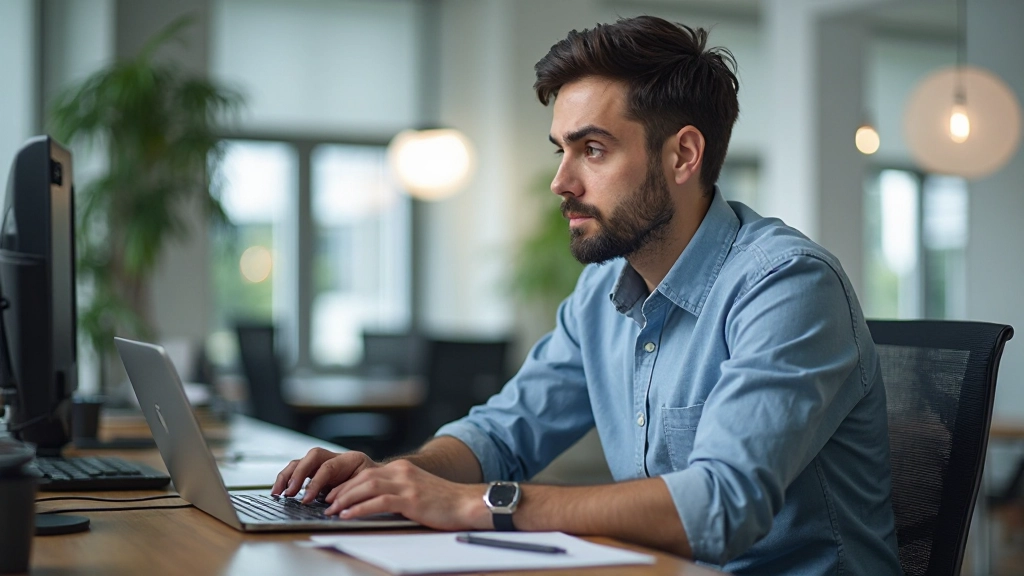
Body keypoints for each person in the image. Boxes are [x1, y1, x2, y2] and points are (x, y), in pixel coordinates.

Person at [272, 15, 901, 574]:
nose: (560, 181)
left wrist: (472, 503)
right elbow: (503, 436)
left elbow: (718, 508)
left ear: (683, 154)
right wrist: (395, 478)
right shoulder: (604, 288)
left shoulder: (786, 285)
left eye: (592, 149)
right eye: (561, 150)